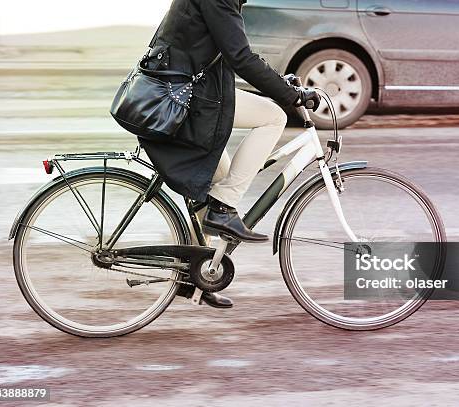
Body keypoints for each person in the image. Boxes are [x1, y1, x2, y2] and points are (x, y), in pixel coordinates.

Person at [137, 0, 321, 308]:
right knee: (273, 117)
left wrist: (278, 83)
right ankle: (224, 208)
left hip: (181, 91)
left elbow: (225, 54)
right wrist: (290, 97)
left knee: (215, 180)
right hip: (181, 99)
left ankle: (193, 277)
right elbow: (241, 56)